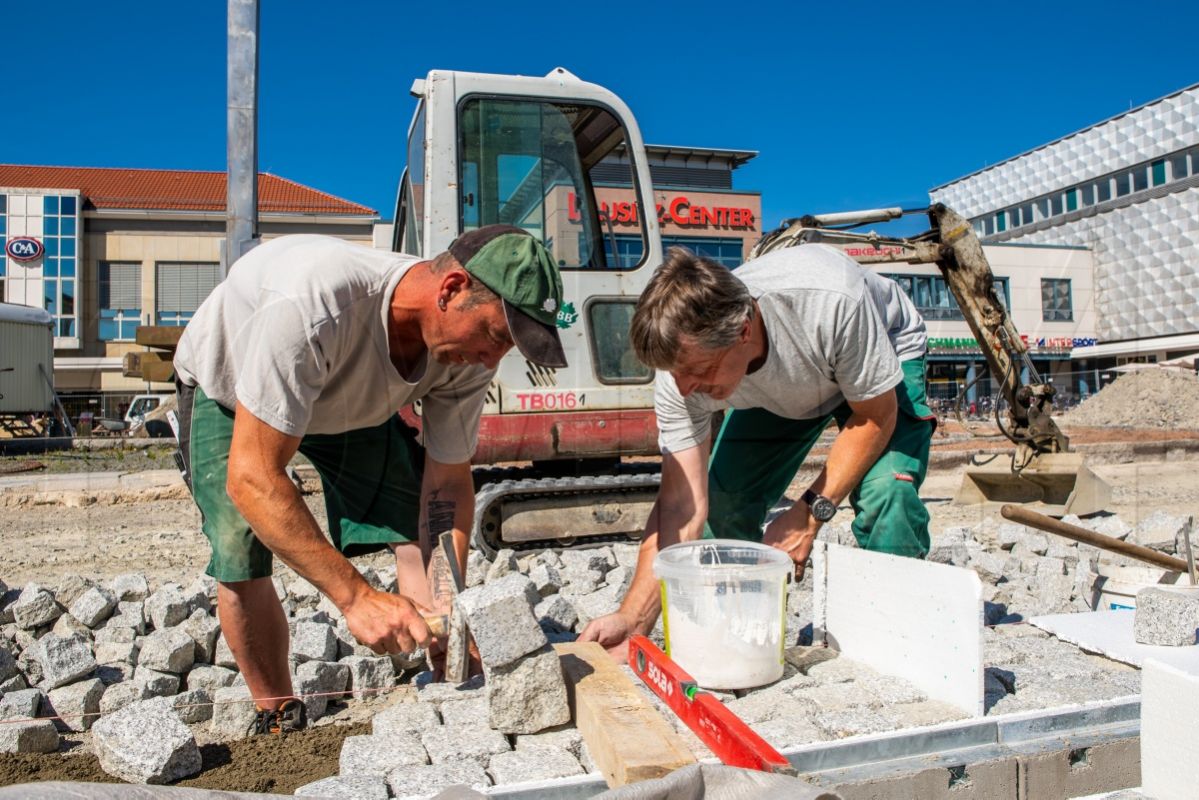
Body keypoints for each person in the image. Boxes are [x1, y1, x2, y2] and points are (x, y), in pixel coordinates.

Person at [172, 226, 565, 732]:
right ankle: (276, 712)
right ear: (451, 289)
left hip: (347, 400)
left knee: (407, 514)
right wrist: (356, 598)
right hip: (231, 389)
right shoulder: (311, 306)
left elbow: (445, 483)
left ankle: (437, 657)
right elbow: (252, 478)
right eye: (494, 337)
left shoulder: (463, 356)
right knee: (240, 547)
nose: (494, 361)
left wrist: (447, 604)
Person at [580, 244, 933, 657]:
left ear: (743, 331)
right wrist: (634, 621)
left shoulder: (833, 301)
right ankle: (740, 637)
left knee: (888, 494)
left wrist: (806, 515)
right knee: (723, 503)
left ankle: (901, 639)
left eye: (700, 373)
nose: (687, 389)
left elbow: (875, 416)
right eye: (678, 376)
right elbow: (681, 506)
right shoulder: (682, 374)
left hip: (877, 360)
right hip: (790, 382)